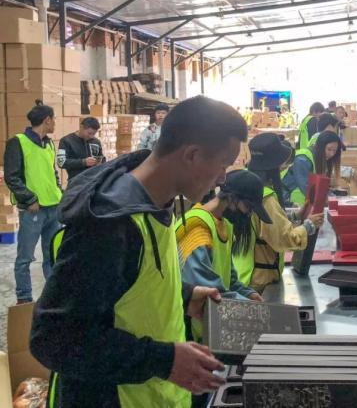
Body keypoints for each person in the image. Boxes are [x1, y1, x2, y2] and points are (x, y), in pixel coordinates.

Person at [30, 96, 248, 407]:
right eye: (223, 165)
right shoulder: (110, 224)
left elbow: (128, 287)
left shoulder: (157, 203)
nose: (223, 178)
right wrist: (163, 359)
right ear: (192, 155)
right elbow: (53, 338)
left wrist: (185, 296)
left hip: (157, 397)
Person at [235, 133, 324, 293]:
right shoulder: (265, 197)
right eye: (281, 164)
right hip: (258, 281)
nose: (284, 167)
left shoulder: (245, 188)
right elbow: (283, 239)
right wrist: (308, 226)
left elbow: (262, 225)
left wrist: (295, 216)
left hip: (243, 276)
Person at [176, 169, 267, 307]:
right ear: (231, 198)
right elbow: (208, 292)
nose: (248, 214)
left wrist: (247, 293)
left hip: (214, 316)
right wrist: (252, 307)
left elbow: (229, 280)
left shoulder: (225, 226)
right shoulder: (198, 231)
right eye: (248, 207)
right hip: (196, 318)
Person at [4, 100, 62, 304]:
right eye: (54, 119)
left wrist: (59, 193)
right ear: (47, 120)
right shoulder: (17, 142)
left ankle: (54, 298)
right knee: (25, 258)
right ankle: (24, 299)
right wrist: (29, 199)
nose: (55, 123)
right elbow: (12, 177)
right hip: (33, 210)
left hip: (54, 208)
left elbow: (53, 173)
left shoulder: (49, 143)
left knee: (52, 255)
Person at [283, 130, 346, 206]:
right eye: (329, 149)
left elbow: (320, 187)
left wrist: (333, 197)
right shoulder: (303, 159)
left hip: (305, 203)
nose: (331, 154)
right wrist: (329, 200)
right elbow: (306, 187)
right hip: (290, 202)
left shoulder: (322, 160)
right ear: (320, 146)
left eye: (334, 151)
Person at [57, 116, 105, 181]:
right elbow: (61, 163)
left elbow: (102, 159)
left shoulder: (96, 142)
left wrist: (100, 161)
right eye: (89, 133)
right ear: (81, 127)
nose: (91, 136)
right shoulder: (66, 141)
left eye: (94, 134)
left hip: (94, 182)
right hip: (76, 182)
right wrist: (83, 162)